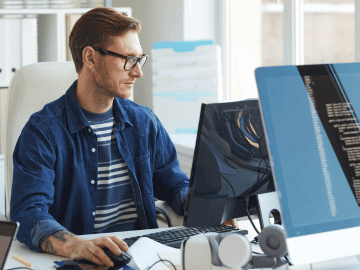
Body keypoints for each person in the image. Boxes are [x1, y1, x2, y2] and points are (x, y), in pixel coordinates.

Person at [10, 7, 236, 268]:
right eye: (129, 60)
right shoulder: (43, 132)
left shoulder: (144, 122)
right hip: (81, 261)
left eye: (140, 60)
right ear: (90, 58)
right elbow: (28, 213)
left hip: (144, 256)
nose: (138, 72)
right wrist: (75, 244)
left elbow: (174, 185)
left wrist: (209, 210)